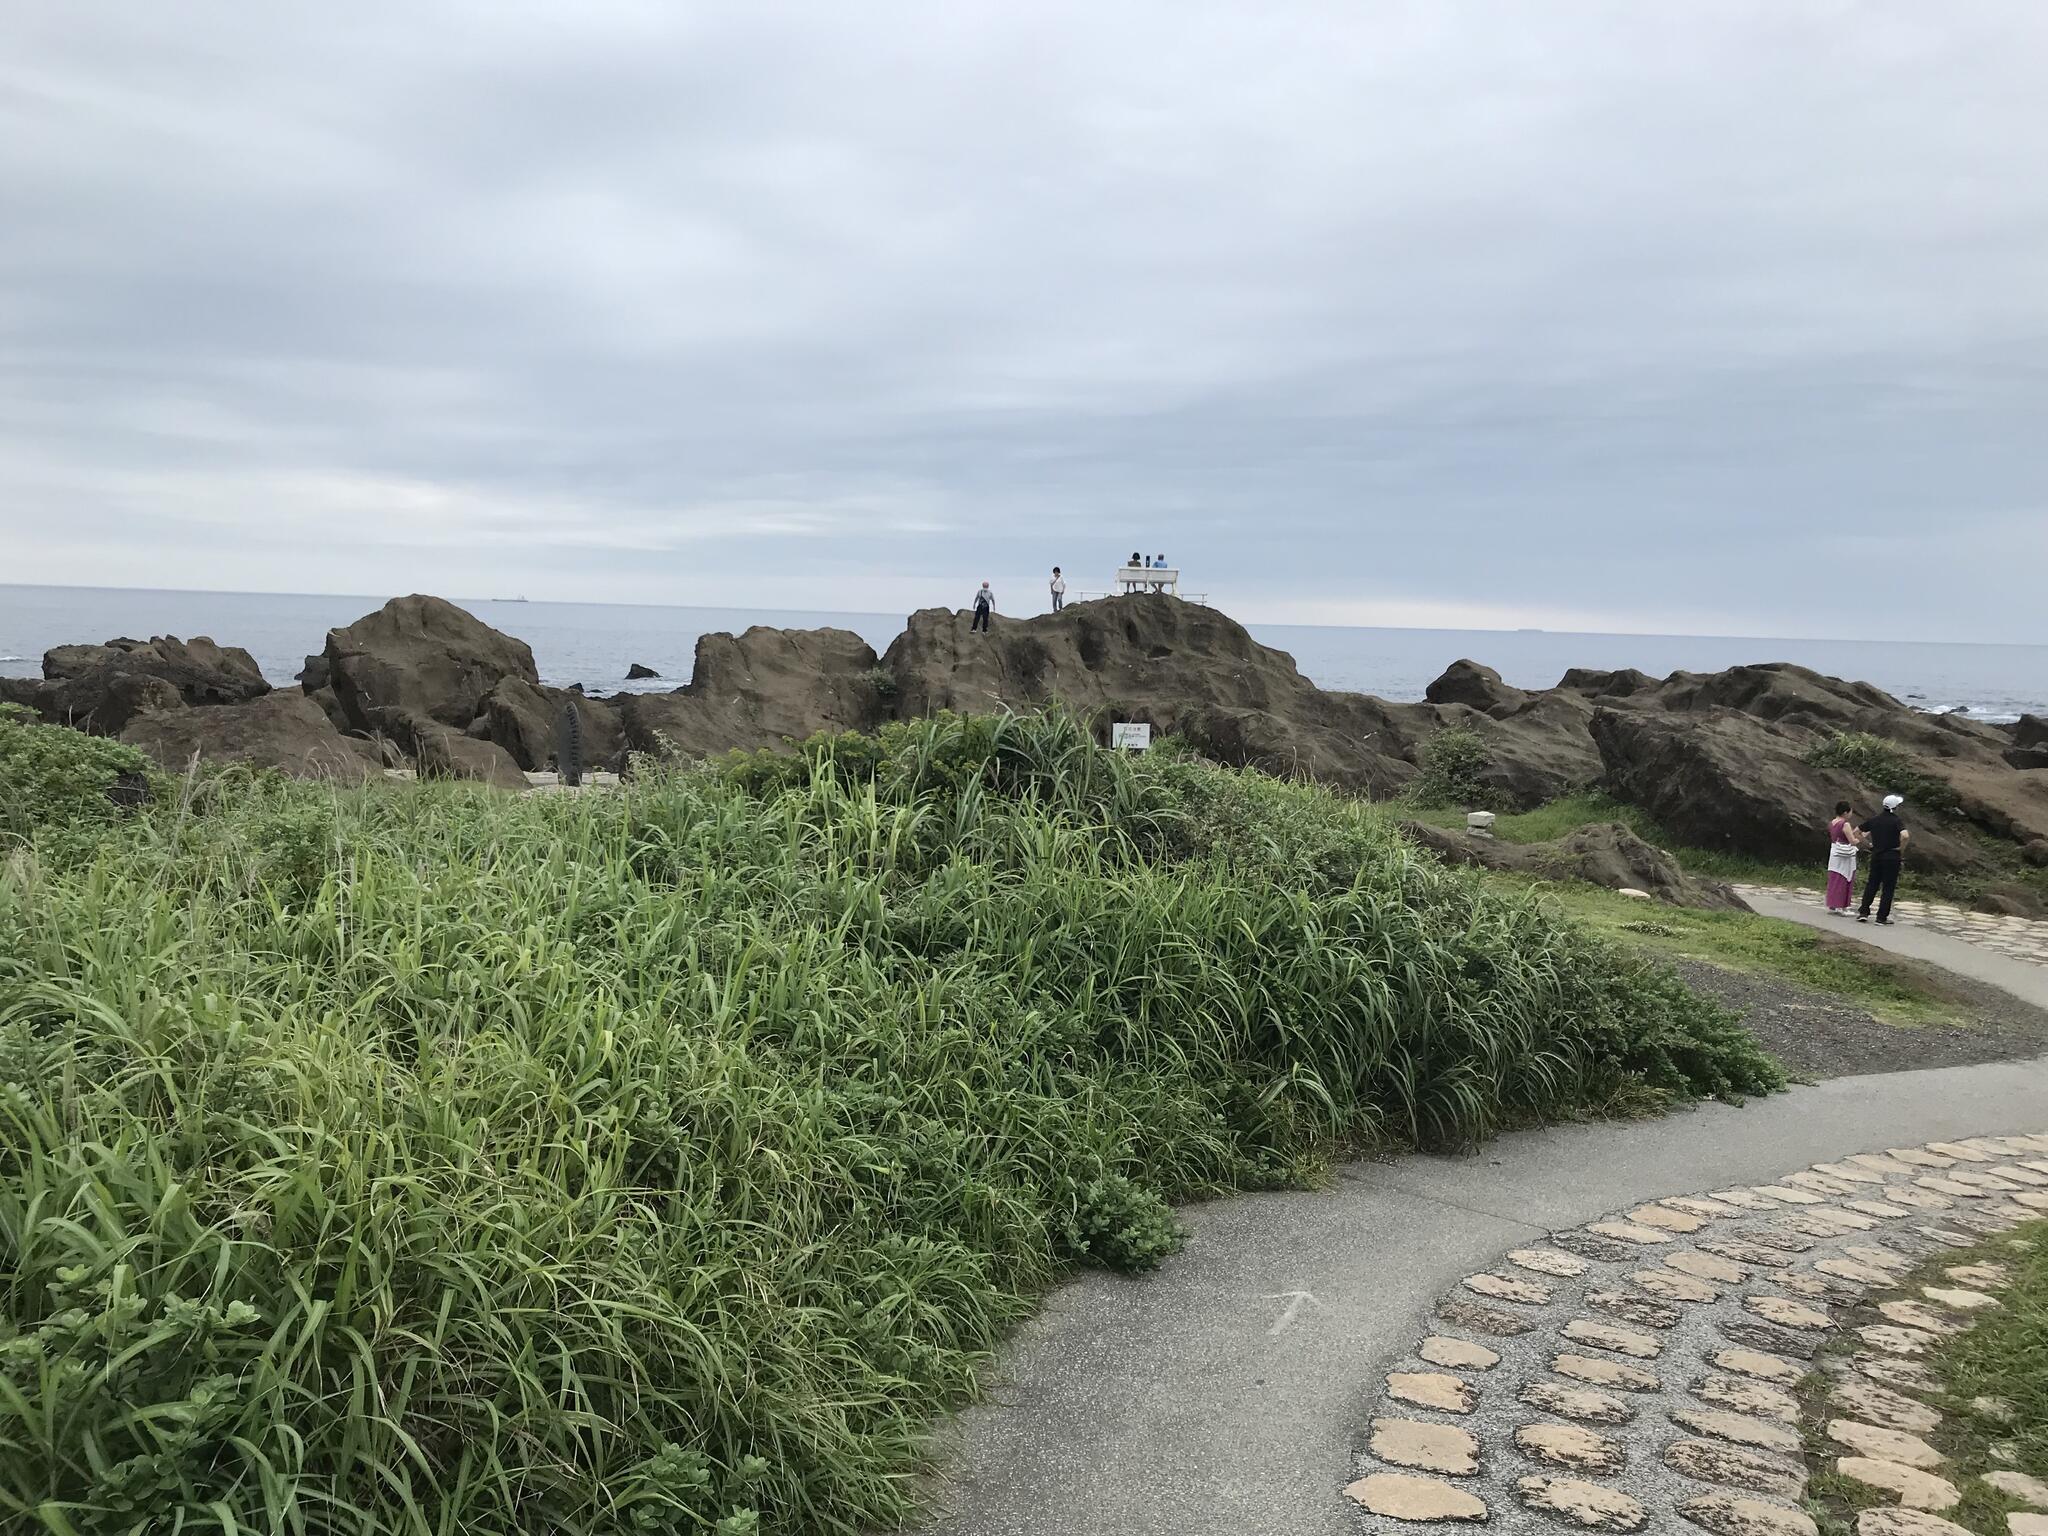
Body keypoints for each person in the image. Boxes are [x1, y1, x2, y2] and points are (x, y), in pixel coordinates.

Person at [1857, 793, 1910, 925]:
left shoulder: (1875, 819)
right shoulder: (1896, 820)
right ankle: (1881, 917)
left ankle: (1863, 912)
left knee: (1872, 884)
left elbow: (1856, 832)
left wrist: (1868, 844)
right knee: (1888, 887)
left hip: (1876, 855)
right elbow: (1905, 835)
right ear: (1895, 807)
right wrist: (1900, 849)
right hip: (1891, 856)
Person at [1825, 800, 1862, 913]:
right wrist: (1861, 837)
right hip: (1845, 854)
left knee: (1835, 877)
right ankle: (1843, 906)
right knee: (1846, 877)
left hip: (1835, 852)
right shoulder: (1845, 824)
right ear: (1846, 812)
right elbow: (1852, 841)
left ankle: (1833, 903)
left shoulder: (1832, 822)